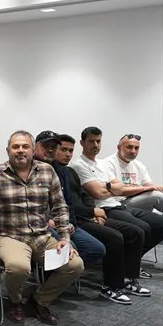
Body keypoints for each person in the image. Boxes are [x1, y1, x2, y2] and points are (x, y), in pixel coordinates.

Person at [0, 131, 84, 325]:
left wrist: (64, 238)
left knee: (74, 265)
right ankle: (15, 301)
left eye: (25, 146)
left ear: (33, 150)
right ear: (7, 150)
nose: (20, 150)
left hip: (42, 236)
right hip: (9, 237)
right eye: (15, 146)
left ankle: (39, 301)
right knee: (19, 267)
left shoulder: (47, 171)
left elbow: (60, 206)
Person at [56, 134, 149, 303]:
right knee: (114, 238)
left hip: (88, 215)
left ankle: (128, 278)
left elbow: (85, 196)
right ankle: (111, 287)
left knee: (136, 232)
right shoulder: (54, 172)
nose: (68, 154)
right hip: (76, 220)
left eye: (70, 150)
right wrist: (92, 212)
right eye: (63, 150)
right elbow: (67, 205)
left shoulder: (69, 171)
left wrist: (94, 211)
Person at [70, 127, 163, 264]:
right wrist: (113, 188)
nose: (95, 145)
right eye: (91, 141)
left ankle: (132, 259)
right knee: (143, 224)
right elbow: (98, 193)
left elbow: (120, 186)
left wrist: (108, 187)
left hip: (118, 204)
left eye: (98, 141)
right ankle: (129, 263)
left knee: (160, 222)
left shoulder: (102, 163)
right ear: (82, 143)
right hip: (107, 207)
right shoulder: (81, 165)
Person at [33, 131, 106, 266]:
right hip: (40, 225)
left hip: (64, 222)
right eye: (46, 146)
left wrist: (70, 222)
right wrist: (49, 221)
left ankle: (63, 272)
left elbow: (67, 201)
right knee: (68, 249)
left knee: (96, 249)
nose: (50, 150)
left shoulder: (62, 171)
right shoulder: (28, 168)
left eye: (53, 147)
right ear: (35, 146)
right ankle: (56, 272)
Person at [102, 134, 163, 213]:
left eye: (136, 148)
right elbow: (120, 190)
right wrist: (144, 188)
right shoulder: (107, 164)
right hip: (117, 203)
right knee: (156, 196)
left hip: (136, 199)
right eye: (129, 147)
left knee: (157, 195)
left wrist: (153, 188)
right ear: (119, 147)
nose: (133, 151)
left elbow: (150, 186)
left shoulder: (139, 165)